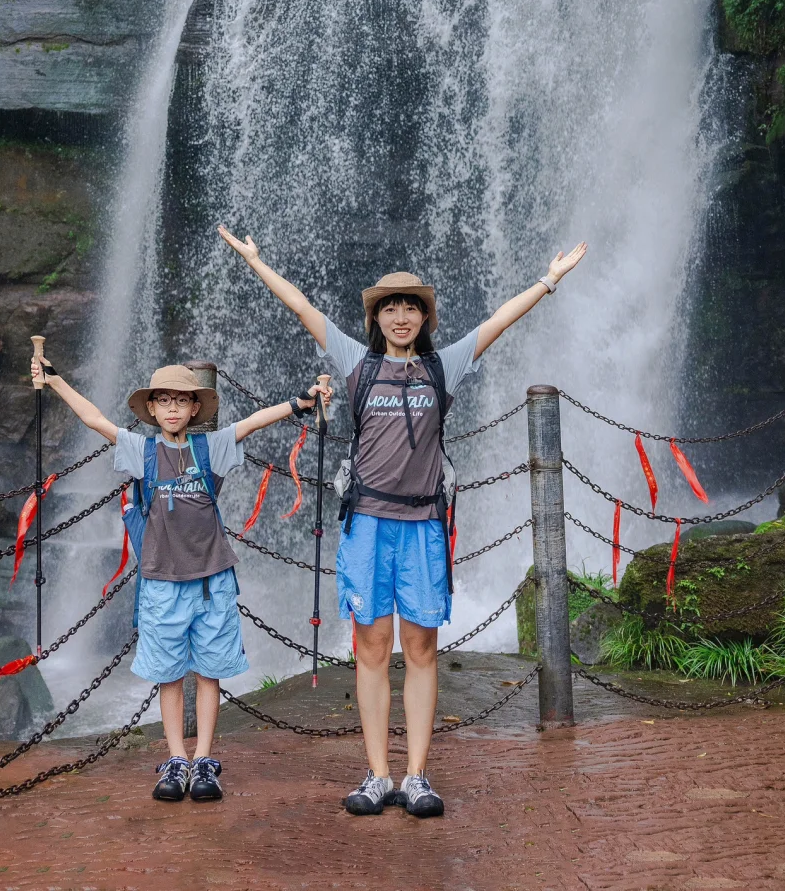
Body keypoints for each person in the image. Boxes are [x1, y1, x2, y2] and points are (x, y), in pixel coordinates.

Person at [217, 227, 587, 819]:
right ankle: (377, 774)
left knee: (420, 648)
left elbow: (499, 321)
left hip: (422, 525)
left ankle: (416, 775)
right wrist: (258, 262)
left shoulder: (446, 365)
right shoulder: (355, 364)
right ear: (376, 317)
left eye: (410, 306)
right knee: (370, 647)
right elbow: (301, 306)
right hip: (366, 521)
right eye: (390, 307)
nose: (400, 315)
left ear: (423, 317)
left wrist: (549, 279)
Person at [30, 348, 329, 803]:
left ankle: (204, 759)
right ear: (151, 409)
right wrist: (55, 382)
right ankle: (175, 758)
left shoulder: (211, 446)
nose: (172, 408)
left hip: (212, 579)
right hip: (161, 581)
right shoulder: (141, 450)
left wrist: (298, 403)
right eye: (163, 400)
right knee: (168, 673)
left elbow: (252, 422)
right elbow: (94, 421)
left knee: (209, 672)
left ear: (195, 408)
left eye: (181, 400)